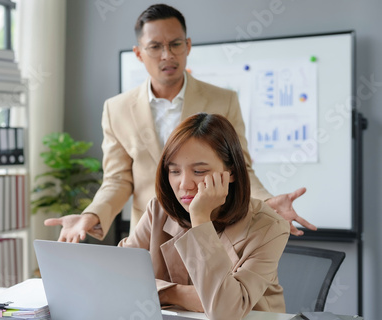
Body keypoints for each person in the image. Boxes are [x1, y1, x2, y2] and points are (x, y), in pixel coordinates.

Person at [45, 3, 316, 242]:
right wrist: (91, 214)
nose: (167, 55)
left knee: (208, 297)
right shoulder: (116, 109)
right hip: (149, 236)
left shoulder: (224, 101)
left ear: (187, 45)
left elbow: (240, 166)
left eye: (175, 44)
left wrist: (267, 202)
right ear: (139, 53)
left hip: (212, 228)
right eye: (155, 47)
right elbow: (118, 179)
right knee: (152, 298)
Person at [119, 113, 290, 320]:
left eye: (199, 171)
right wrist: (176, 294)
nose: (184, 184)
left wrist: (200, 218)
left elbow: (225, 310)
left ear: (232, 173)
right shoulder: (159, 210)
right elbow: (119, 278)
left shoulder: (269, 227)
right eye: (174, 171)